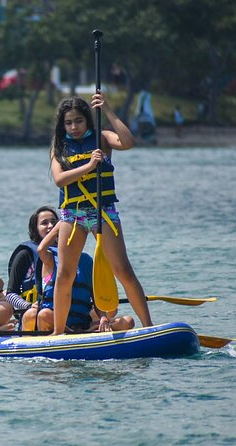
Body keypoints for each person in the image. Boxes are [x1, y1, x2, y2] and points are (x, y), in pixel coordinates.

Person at [49, 93, 153, 336]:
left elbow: (128, 142)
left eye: (78, 121)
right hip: (72, 216)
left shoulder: (102, 138)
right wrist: (89, 166)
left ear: (87, 121)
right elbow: (59, 179)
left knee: (123, 270)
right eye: (68, 123)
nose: (74, 127)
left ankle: (149, 327)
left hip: (103, 213)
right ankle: (57, 332)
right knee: (64, 274)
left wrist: (107, 109)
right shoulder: (59, 145)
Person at [22, 221, 134, 333]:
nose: (72, 240)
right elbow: (41, 249)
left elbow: (96, 298)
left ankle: (83, 331)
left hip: (82, 322)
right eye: (67, 236)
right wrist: (61, 223)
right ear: (58, 239)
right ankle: (73, 332)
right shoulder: (51, 258)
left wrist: (103, 318)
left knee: (128, 321)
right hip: (54, 321)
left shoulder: (87, 261)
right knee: (43, 314)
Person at [6, 206, 59, 318]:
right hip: (35, 315)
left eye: (54, 222)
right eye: (44, 223)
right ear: (36, 229)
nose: (51, 226)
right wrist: (29, 306)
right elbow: (10, 295)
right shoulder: (25, 254)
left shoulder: (67, 252)